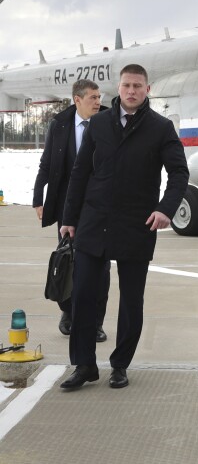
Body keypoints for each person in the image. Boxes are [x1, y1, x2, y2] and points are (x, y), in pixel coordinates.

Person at [59, 64, 189, 391]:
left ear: (147, 90)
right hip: (94, 222)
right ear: (119, 87)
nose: (132, 91)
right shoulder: (99, 123)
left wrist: (165, 208)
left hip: (137, 223)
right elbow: (79, 173)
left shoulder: (161, 127)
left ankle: (120, 365)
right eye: (127, 85)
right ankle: (84, 364)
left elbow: (179, 174)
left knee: (131, 301)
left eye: (138, 86)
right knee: (84, 296)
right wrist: (70, 219)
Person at [33, 79, 110, 342]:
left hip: (101, 207)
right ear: (77, 100)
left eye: (99, 97)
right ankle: (67, 313)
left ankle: (96, 322)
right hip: (68, 206)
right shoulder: (60, 124)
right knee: (67, 261)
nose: (98, 102)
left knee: (101, 267)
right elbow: (47, 164)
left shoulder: (109, 120)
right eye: (92, 98)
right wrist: (37, 198)